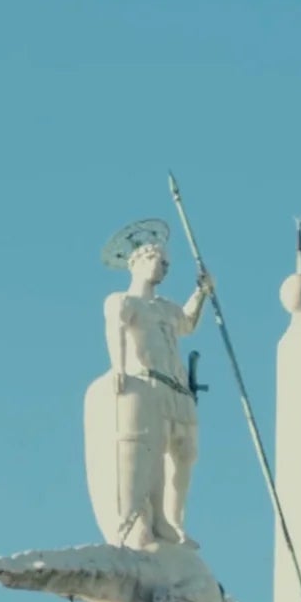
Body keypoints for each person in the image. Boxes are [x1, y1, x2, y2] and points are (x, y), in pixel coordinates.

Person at [96, 225, 212, 550]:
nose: (163, 267)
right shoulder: (122, 301)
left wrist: (201, 292)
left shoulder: (165, 308)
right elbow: (115, 331)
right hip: (147, 385)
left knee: (185, 455)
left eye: (165, 263)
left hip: (177, 387)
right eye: (157, 259)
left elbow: (187, 322)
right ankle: (156, 517)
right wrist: (118, 368)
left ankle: (176, 522)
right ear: (138, 261)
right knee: (155, 453)